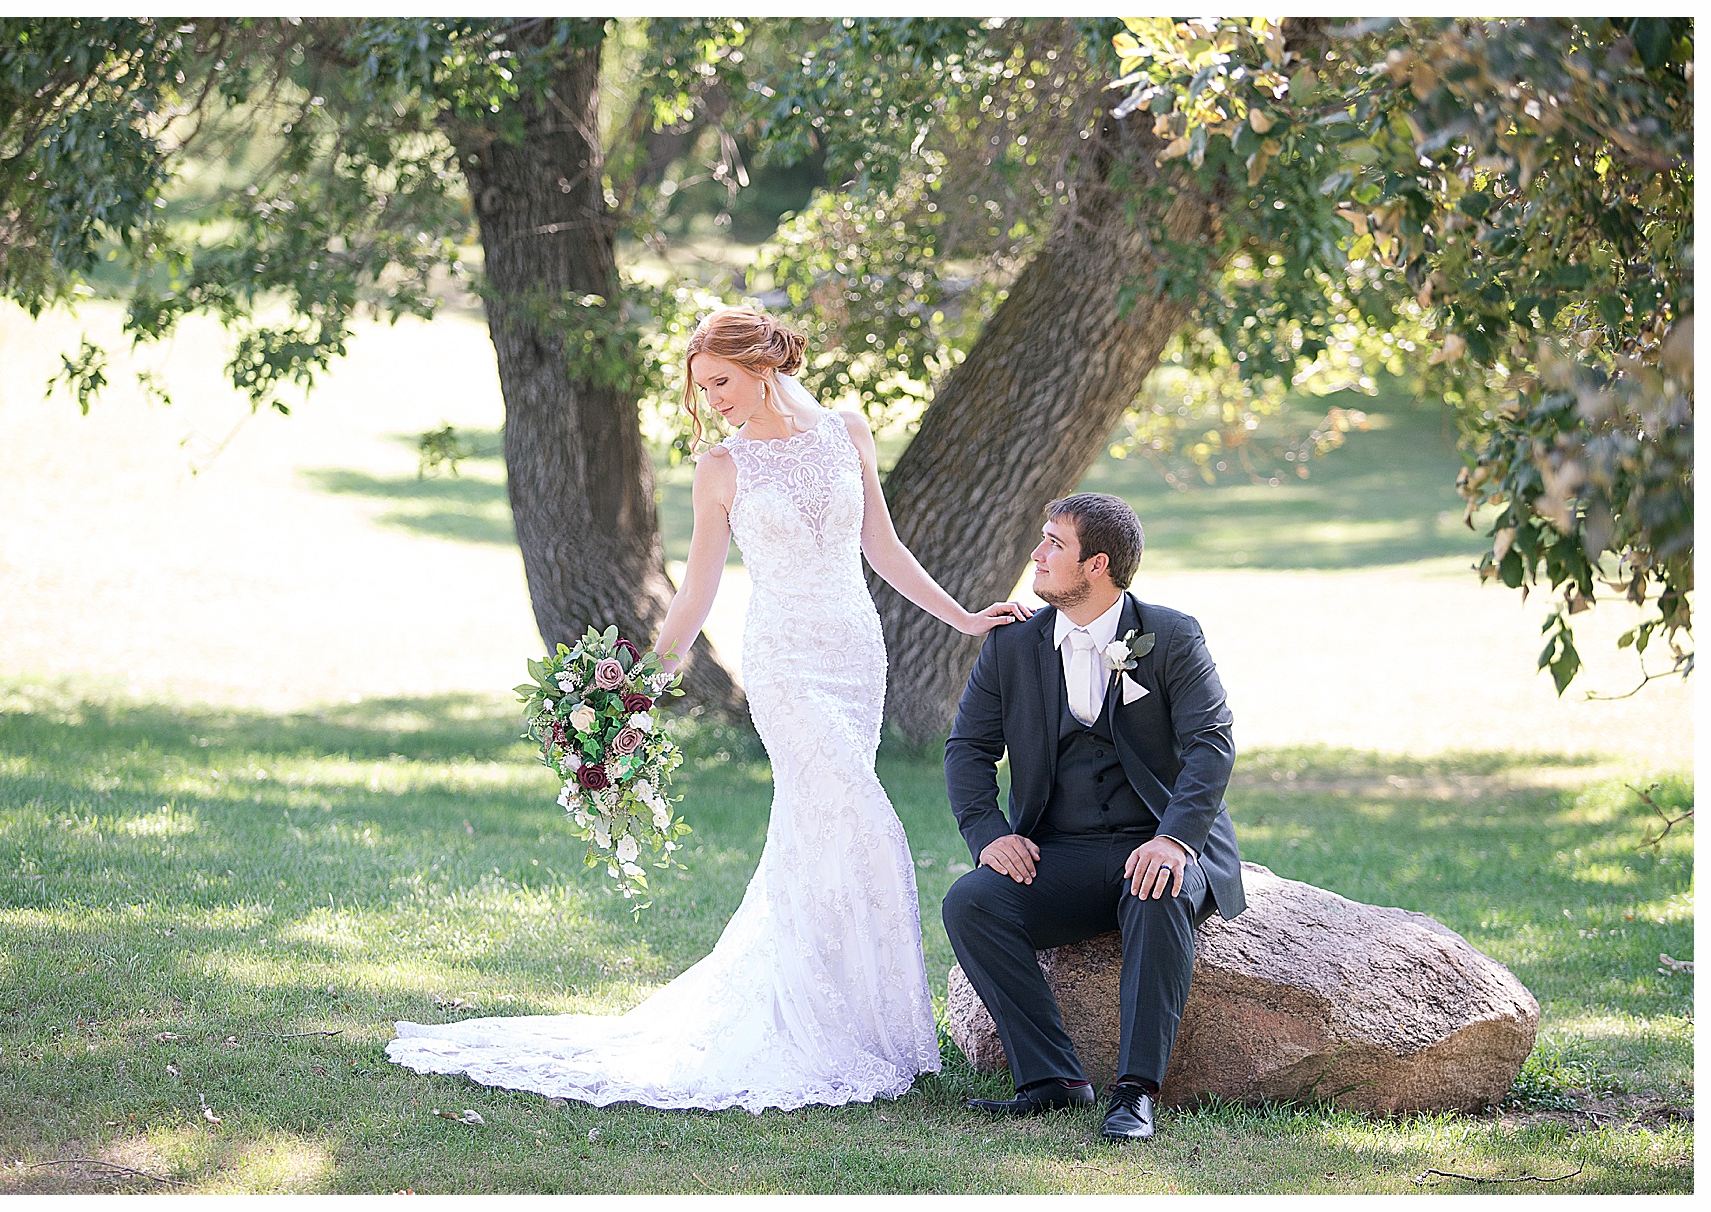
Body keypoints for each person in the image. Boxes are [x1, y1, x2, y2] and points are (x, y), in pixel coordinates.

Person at [387, 307, 1028, 1112]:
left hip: (855, 654)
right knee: (861, 817)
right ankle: (850, 1025)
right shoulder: (722, 468)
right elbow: (696, 591)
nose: (714, 399)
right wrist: (642, 688)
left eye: (721, 382)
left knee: (818, 834)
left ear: (762, 361)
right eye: (704, 388)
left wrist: (967, 618)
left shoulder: (848, 432)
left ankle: (850, 1023)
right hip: (786, 662)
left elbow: (883, 548)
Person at [941, 493, 1246, 1140]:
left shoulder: (1171, 636)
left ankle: (1134, 1092)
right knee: (972, 902)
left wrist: (1175, 842)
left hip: (1159, 839)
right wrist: (988, 833)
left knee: (1156, 894)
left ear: (1097, 565)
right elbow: (968, 749)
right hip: (1063, 850)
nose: (1037, 553)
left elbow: (1211, 745)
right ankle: (1051, 1078)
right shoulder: (1012, 647)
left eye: (1054, 543)